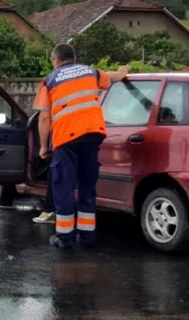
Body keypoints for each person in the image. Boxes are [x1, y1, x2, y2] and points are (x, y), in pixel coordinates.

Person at [33, 43, 129, 248]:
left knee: (64, 188)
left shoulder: (50, 80)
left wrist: (43, 146)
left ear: (56, 60)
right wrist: (121, 73)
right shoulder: (90, 72)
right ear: (74, 58)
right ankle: (87, 237)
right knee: (87, 187)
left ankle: (64, 237)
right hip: (93, 134)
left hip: (67, 139)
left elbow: (43, 117)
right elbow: (111, 77)